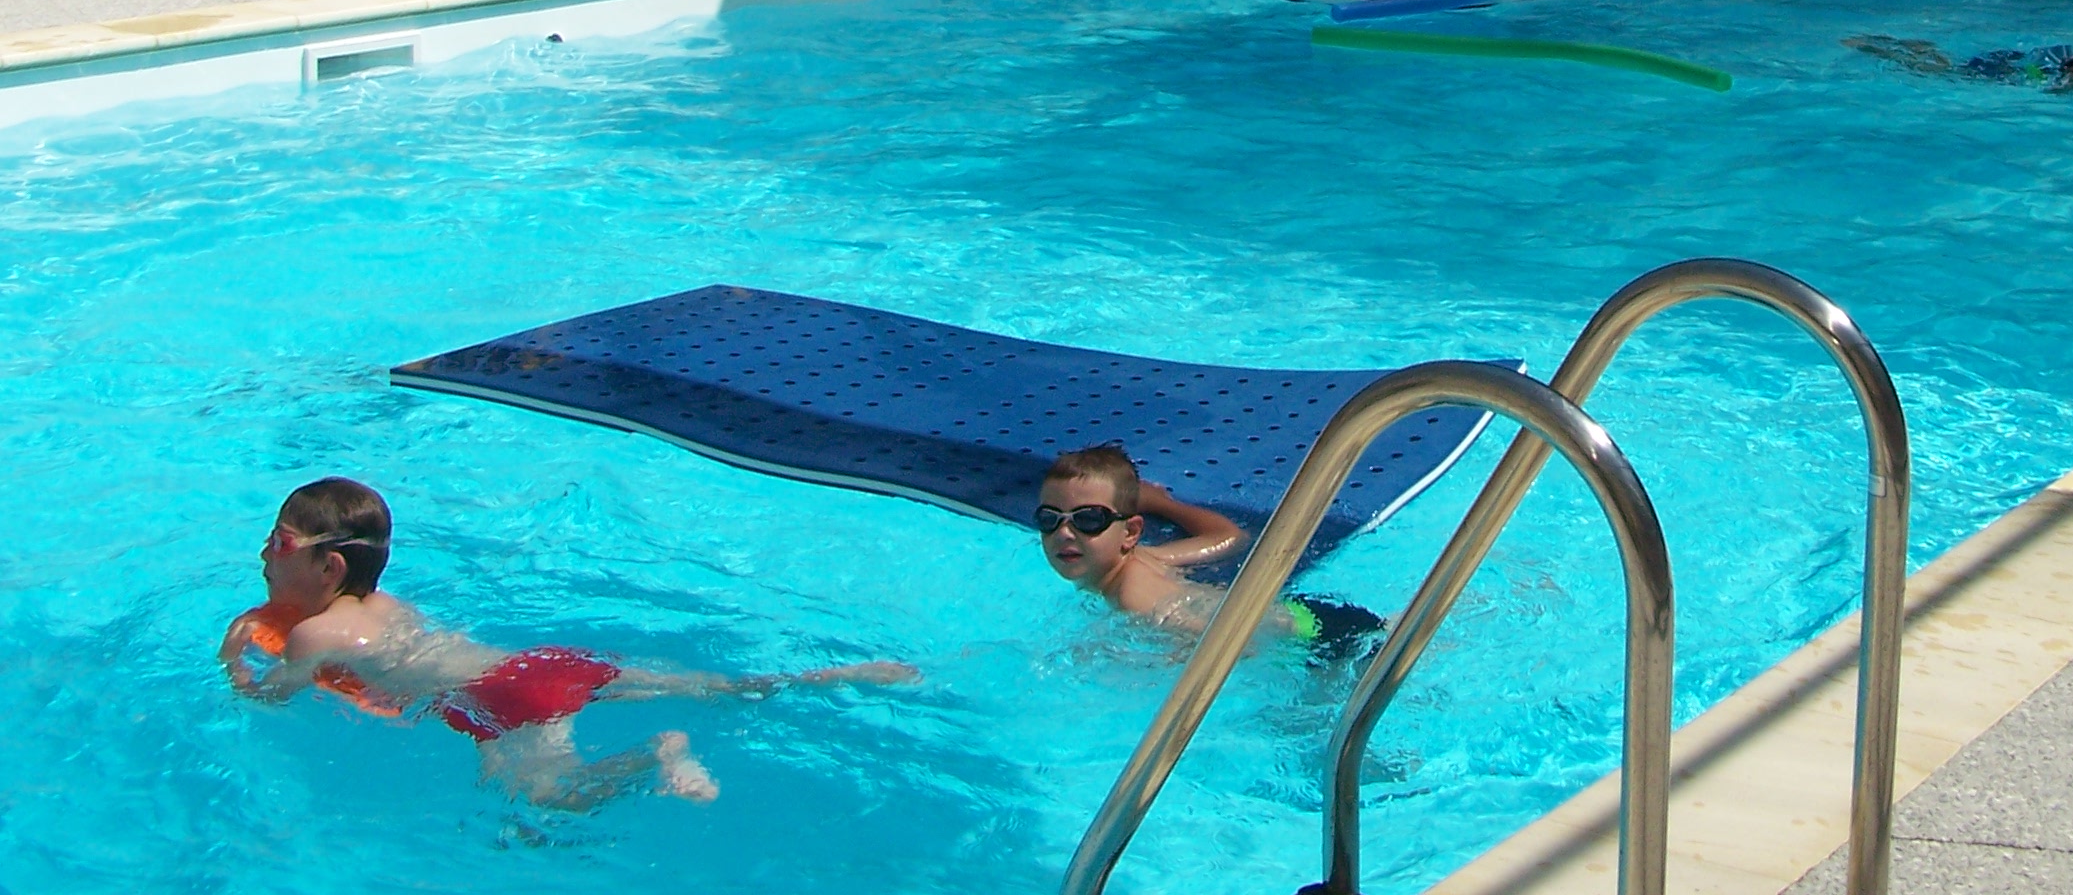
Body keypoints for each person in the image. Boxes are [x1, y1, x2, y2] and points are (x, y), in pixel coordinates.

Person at [221, 477, 916, 812]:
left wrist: (236, 658)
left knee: (554, 800)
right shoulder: (390, 605)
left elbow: (274, 699)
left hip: (498, 700)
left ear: (328, 567)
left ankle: (655, 754)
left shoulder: (313, 632)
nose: (263, 553)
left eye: (279, 542)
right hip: (541, 664)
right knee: (725, 689)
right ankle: (840, 675)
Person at [1036, 445, 1385, 662]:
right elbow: (1228, 537)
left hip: (1311, 646)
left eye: (1089, 520)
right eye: (1050, 519)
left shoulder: (1133, 595)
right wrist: (1163, 504)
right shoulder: (1146, 558)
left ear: (1130, 533)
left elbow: (1230, 647)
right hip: (1308, 614)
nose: (1064, 533)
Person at [1847, 8, 2073, 90]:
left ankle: (1905, 45)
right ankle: (1880, 49)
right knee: (1943, 71)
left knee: (1948, 63)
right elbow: (2049, 90)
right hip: (2009, 71)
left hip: (2023, 64)